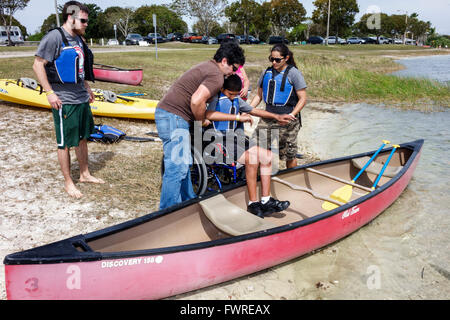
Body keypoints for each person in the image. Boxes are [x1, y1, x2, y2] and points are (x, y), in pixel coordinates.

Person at [156, 41, 245, 210]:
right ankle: (166, 212)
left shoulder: (208, 66)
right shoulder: (216, 76)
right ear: (224, 61)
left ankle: (188, 201)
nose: (234, 73)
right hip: (174, 117)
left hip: (170, 114)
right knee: (176, 167)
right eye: (234, 68)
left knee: (184, 165)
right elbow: (197, 101)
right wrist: (200, 121)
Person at [33, 1, 104, 199]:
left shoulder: (79, 39)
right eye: (83, 20)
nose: (86, 24)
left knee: (82, 138)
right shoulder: (55, 37)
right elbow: (38, 65)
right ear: (70, 18)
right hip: (64, 99)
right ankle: (68, 182)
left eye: (87, 21)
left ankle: (84, 174)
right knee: (64, 142)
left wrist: (87, 88)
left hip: (80, 97)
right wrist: (50, 93)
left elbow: (79, 69)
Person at [204, 74, 292, 217]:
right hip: (220, 140)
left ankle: (266, 200)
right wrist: (238, 117)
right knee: (252, 159)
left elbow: (253, 110)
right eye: (230, 94)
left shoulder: (237, 99)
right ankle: (253, 203)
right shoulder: (216, 98)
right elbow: (209, 114)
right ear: (222, 88)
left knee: (268, 156)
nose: (233, 97)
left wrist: (277, 117)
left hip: (237, 139)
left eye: (235, 94)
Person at [250, 43, 307, 169]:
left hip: (287, 120)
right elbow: (259, 96)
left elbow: (303, 99)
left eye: (277, 60)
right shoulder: (266, 72)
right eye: (272, 59)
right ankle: (261, 178)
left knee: (289, 155)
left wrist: (292, 115)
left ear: (286, 58)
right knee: (256, 148)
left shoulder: (294, 73)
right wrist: (247, 109)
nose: (274, 62)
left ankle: (292, 178)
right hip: (267, 117)